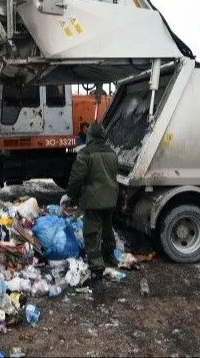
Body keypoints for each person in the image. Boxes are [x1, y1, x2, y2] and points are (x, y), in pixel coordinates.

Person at [66, 121, 119, 294]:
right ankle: (110, 255)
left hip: (94, 200)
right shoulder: (112, 153)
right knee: (107, 227)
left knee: (91, 233)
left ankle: (97, 271)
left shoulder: (86, 153)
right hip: (111, 197)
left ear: (91, 136)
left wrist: (71, 195)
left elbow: (76, 177)